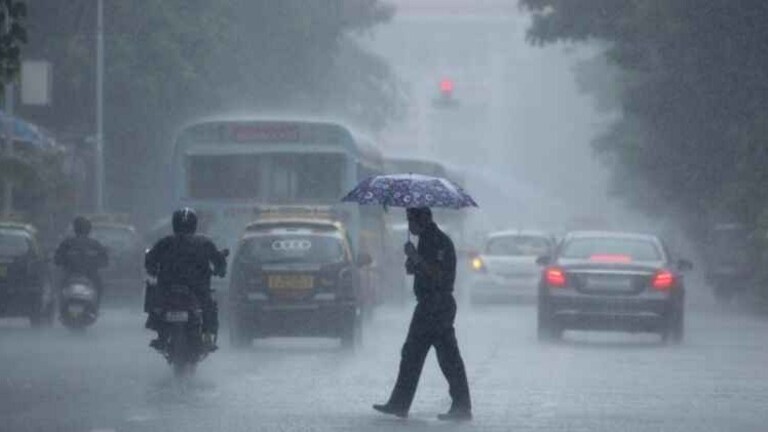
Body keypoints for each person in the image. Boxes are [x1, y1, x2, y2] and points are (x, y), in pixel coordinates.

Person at [373, 207, 472, 421]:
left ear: (424, 219)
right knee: (422, 354)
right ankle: (402, 403)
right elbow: (424, 271)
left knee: (437, 356)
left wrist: (416, 258)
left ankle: (460, 406)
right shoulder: (426, 239)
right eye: (408, 220)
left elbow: (437, 274)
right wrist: (413, 265)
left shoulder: (437, 241)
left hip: (436, 305)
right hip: (431, 305)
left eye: (412, 220)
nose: (410, 225)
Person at [144, 208, 227, 351]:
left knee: (156, 299)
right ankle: (207, 336)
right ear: (194, 224)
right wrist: (220, 270)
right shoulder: (204, 242)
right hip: (196, 287)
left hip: (168, 287)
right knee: (209, 306)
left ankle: (161, 334)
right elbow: (219, 261)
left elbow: (150, 261)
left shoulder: (165, 242)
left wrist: (154, 271)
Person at [54, 216, 109, 300]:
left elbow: (57, 259)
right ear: (89, 229)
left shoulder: (67, 243)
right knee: (99, 288)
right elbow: (105, 260)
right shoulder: (94, 244)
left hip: (71, 275)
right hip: (89, 275)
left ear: (75, 228)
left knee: (60, 288)